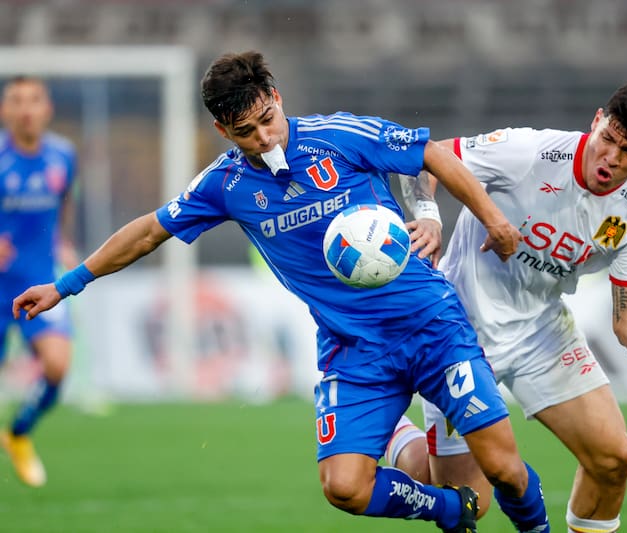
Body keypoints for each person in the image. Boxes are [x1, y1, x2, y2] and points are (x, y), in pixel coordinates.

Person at [12, 51, 550, 532]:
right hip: (355, 351)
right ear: (224, 131)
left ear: (277, 98)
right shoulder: (224, 185)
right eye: (246, 131)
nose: (264, 138)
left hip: (430, 325)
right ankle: (451, 510)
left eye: (267, 119)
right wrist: (66, 285)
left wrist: (490, 220)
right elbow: (150, 231)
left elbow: (429, 154)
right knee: (344, 487)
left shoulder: (339, 136)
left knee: (503, 468)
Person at [385, 76, 627, 533]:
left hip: (540, 334)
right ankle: (399, 438)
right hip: (458, 331)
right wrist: (428, 218)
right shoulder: (529, 151)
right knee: (466, 503)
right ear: (597, 120)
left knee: (614, 459)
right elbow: (420, 162)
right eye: (607, 139)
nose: (610, 158)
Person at [0, 76, 80, 487]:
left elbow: (63, 202)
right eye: (16, 100)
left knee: (57, 365)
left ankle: (18, 433)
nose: (26, 108)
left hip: (38, 278)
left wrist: (62, 241)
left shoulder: (63, 156)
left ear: (47, 108)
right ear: (4, 111)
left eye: (34, 100)